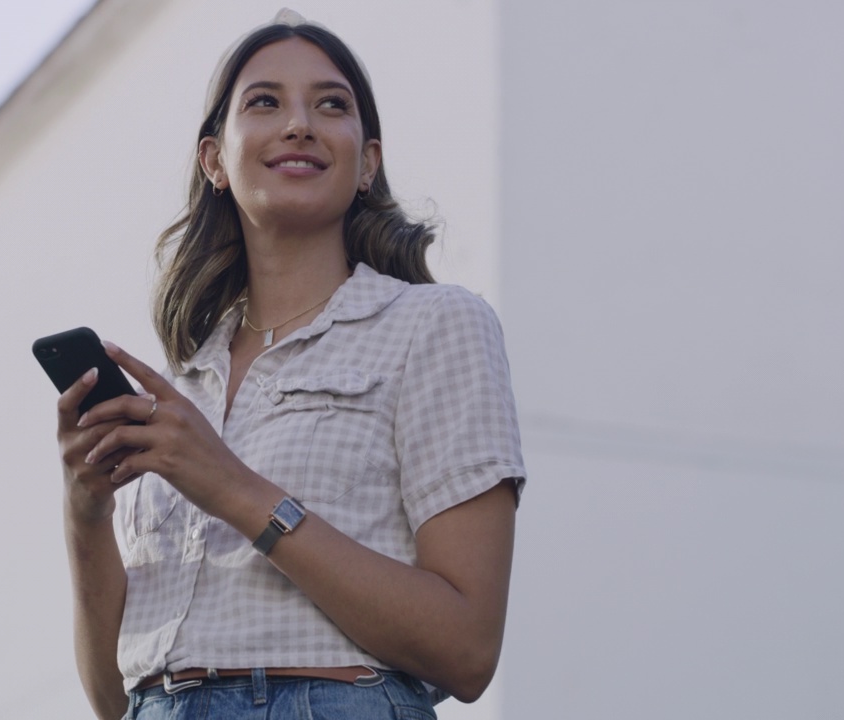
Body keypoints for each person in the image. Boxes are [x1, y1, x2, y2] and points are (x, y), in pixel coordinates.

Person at [57, 11, 525, 720]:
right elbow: (112, 697)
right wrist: (85, 510)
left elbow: (465, 649)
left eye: (331, 105)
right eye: (265, 101)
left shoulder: (433, 326)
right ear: (214, 159)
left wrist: (235, 490)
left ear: (367, 161)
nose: (300, 123)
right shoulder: (181, 385)